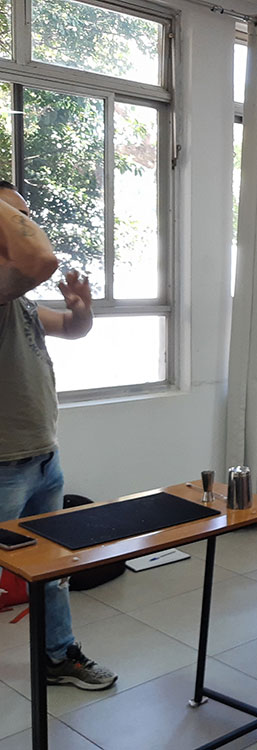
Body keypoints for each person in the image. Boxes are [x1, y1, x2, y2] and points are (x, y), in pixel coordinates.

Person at [0, 180, 117, 690]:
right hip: (3, 466)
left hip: (43, 458)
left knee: (52, 566)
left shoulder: (18, 302)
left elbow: (72, 329)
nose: (28, 222)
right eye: (17, 215)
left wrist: (81, 308)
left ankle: (57, 655)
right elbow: (39, 259)